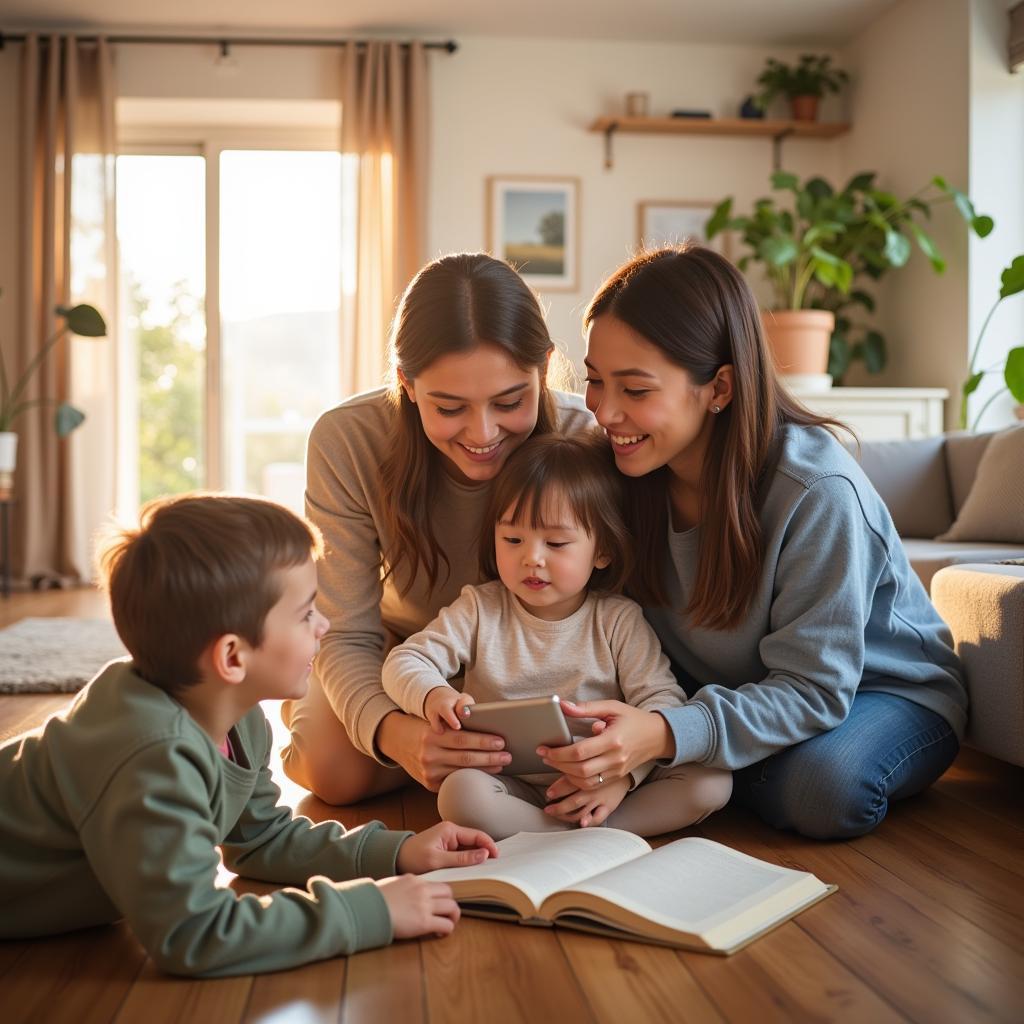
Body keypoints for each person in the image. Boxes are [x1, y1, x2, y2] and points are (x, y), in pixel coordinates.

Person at [538, 245, 967, 840]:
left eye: (635, 391)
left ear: (719, 386)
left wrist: (662, 738)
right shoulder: (621, 468)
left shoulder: (817, 492)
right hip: (736, 692)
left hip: (878, 692)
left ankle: (706, 765)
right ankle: (711, 761)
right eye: (594, 381)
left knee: (823, 789)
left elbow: (814, 689)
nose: (605, 411)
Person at [0, 494, 499, 977]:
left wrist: (399, 853)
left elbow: (261, 840)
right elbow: (193, 933)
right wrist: (369, 912)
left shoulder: (237, 716)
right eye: (306, 614)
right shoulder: (149, 756)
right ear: (233, 657)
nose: (325, 625)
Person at [281, 252, 593, 805]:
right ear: (406, 382)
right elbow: (347, 631)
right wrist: (395, 734)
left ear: (544, 368)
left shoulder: (583, 438)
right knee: (334, 774)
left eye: (510, 401)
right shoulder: (347, 440)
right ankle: (333, 717)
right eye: (449, 407)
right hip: (405, 654)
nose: (483, 432)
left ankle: (465, 763)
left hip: (543, 656)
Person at [380, 430, 732, 840]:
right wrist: (434, 696)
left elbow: (660, 702)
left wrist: (624, 777)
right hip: (511, 786)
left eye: (557, 542)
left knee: (711, 781)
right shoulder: (480, 608)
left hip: (603, 784)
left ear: (602, 552)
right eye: (512, 539)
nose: (532, 558)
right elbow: (405, 661)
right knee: (460, 795)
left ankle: (583, 833)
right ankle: (586, 838)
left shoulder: (618, 619)